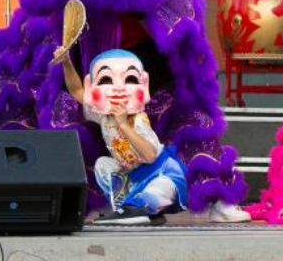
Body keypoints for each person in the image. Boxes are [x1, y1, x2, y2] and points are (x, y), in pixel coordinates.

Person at [57, 48, 188, 225]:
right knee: (103, 165)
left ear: (144, 86)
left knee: (155, 193)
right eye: (106, 80)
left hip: (160, 173)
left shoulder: (138, 119)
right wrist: (66, 62)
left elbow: (149, 156)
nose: (118, 88)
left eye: (130, 79)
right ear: (92, 86)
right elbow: (77, 90)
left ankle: (140, 210)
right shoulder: (103, 114)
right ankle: (126, 209)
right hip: (132, 176)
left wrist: (124, 124)